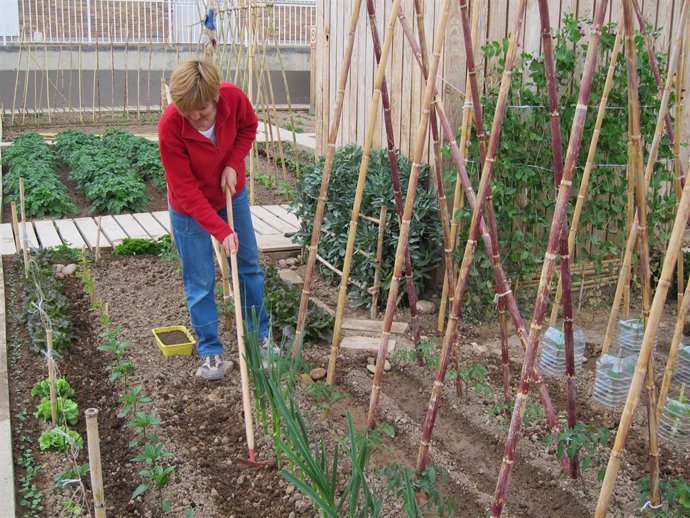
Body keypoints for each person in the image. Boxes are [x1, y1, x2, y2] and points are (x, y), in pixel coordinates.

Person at [159, 58, 271, 381]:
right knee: (200, 280)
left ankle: (259, 338)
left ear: (215, 98)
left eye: (203, 112)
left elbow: (249, 126)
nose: (196, 118)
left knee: (247, 265)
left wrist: (234, 162)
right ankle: (211, 352)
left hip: (230, 190)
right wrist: (221, 231)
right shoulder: (170, 126)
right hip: (187, 206)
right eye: (188, 113)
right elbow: (185, 189)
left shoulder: (233, 98)